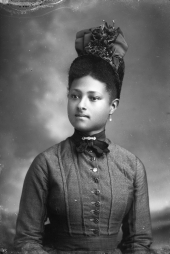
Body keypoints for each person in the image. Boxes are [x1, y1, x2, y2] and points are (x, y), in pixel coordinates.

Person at [14, 21, 152, 254]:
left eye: (94, 98)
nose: (81, 105)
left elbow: (138, 242)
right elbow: (27, 241)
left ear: (112, 106)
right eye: (75, 96)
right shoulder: (46, 164)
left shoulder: (133, 167)